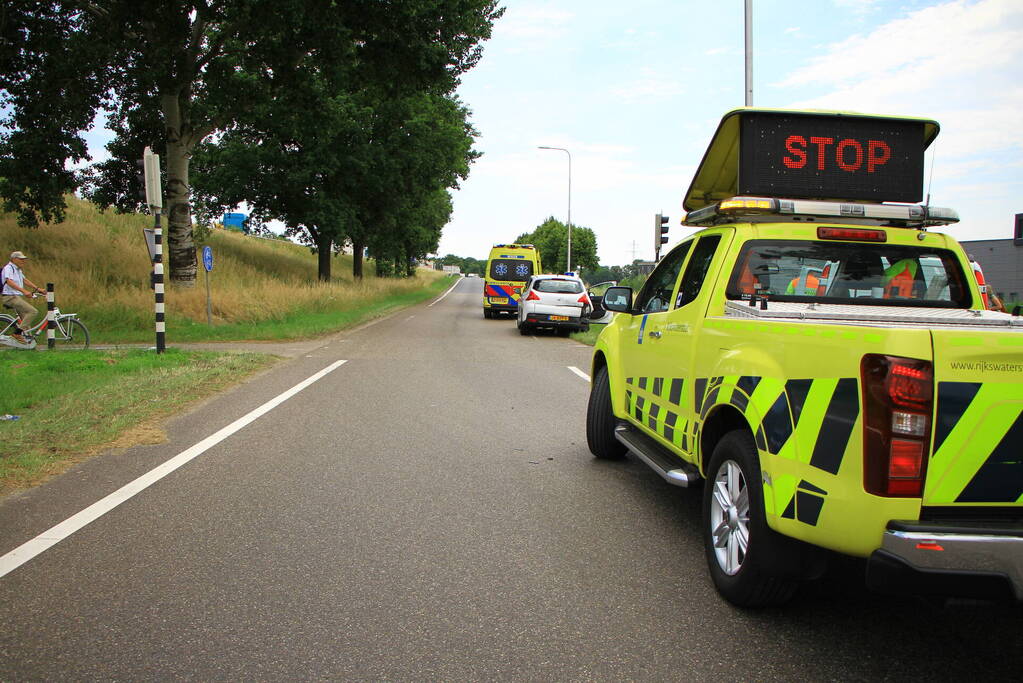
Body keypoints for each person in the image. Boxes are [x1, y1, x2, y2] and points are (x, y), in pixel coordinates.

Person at [2, 251, 43, 344]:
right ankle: (17, 334)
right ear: (14, 259)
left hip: (16, 297)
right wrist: (24, 291)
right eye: (21, 259)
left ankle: (28, 345)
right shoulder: (9, 268)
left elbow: (25, 280)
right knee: (33, 312)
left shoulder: (18, 269)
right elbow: (9, 282)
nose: (23, 261)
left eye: (24, 259)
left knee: (26, 322)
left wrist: (38, 289)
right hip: (10, 297)